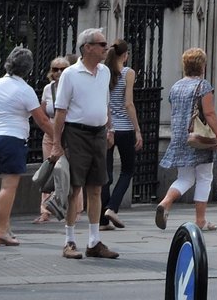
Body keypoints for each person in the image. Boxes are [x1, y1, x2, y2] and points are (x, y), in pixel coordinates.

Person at [0, 45, 55, 246]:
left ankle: (5, 227)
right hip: (12, 139)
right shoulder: (25, 90)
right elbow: (42, 121)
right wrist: (59, 139)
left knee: (5, 186)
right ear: (28, 68)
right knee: (8, 187)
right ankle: (0, 230)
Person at [52, 26, 119, 260]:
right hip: (76, 134)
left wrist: (110, 128)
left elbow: (106, 103)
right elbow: (60, 111)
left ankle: (94, 241)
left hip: (99, 133)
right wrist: (56, 143)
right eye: (102, 44)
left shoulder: (105, 72)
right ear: (87, 47)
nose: (106, 48)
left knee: (96, 187)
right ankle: (69, 240)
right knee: (74, 189)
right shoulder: (70, 74)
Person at [154, 47, 217, 233]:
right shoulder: (203, 86)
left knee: (185, 177)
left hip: (180, 137)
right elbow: (208, 112)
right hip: (199, 137)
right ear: (202, 66)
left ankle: (166, 202)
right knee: (204, 177)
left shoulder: (176, 86)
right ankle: (200, 220)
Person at [101, 39, 142, 231]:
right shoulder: (128, 72)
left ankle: (102, 220)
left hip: (107, 127)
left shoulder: (103, 72)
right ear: (125, 55)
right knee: (127, 170)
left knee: (106, 174)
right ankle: (112, 207)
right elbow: (128, 104)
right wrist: (137, 129)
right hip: (125, 128)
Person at [35, 56, 70, 224]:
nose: (59, 72)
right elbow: (42, 111)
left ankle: (74, 210)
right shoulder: (48, 89)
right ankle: (45, 210)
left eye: (63, 69)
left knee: (68, 172)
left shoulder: (72, 86)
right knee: (48, 172)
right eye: (55, 69)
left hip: (69, 134)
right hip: (50, 133)